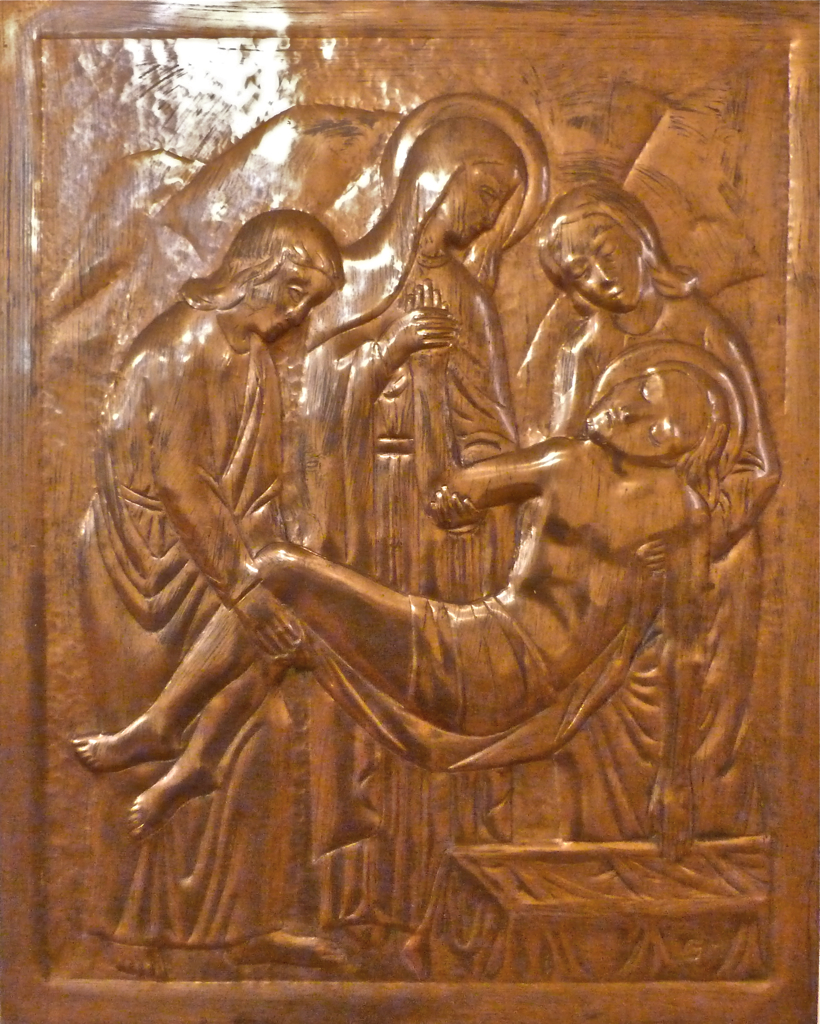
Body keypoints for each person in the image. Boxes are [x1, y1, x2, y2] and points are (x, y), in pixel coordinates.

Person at [79, 343, 741, 861]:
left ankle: (163, 726)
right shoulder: (565, 463)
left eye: (650, 413)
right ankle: (195, 764)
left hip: (488, 669)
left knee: (277, 574)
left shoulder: (676, 514)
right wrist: (449, 474)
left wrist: (675, 775)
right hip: (475, 641)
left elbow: (686, 648)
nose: (624, 407)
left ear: (670, 444)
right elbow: (460, 490)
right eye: (635, 387)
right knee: (283, 626)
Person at [73, 210, 351, 971]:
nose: (295, 311)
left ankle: (246, 924)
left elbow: (255, 481)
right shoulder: (184, 346)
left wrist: (280, 558)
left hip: (217, 553)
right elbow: (181, 482)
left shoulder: (250, 354)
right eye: (292, 288)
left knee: (266, 734)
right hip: (145, 566)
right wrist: (249, 592)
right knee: (135, 737)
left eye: (309, 301)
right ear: (252, 269)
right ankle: (128, 934)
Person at [518, 181, 779, 840]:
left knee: (699, 715)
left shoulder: (704, 328)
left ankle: (701, 852)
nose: (601, 277)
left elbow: (759, 466)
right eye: (579, 272)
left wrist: (699, 536)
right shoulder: (585, 352)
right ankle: (601, 863)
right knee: (598, 723)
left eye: (604, 251)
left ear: (638, 238)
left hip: (706, 568)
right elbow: (570, 456)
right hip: (613, 569)